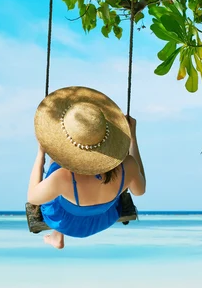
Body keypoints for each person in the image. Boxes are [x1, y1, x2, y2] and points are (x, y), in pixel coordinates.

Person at [27, 86, 146, 249]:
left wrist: (40, 154)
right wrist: (132, 139)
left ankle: (57, 235)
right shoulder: (129, 166)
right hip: (103, 219)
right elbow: (140, 191)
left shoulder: (63, 177)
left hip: (67, 223)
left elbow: (33, 197)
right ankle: (57, 235)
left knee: (55, 164)